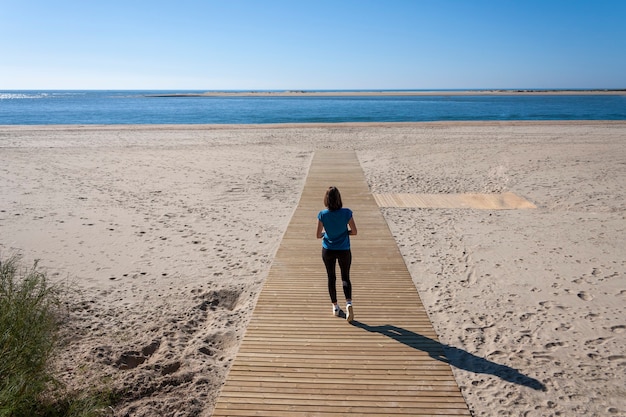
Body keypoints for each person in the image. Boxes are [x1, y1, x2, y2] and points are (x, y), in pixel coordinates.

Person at [316, 186, 357, 322]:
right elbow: (354, 231)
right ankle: (349, 303)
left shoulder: (322, 214)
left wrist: (326, 234)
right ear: (339, 198)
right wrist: (345, 233)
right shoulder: (347, 213)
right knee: (345, 276)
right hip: (344, 249)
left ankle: (335, 306)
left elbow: (317, 235)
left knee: (331, 277)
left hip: (328, 249)